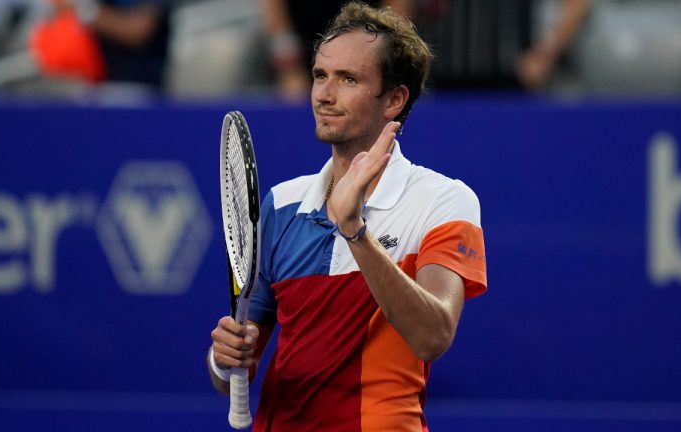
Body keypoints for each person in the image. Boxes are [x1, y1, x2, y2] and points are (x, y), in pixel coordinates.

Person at [209, 2, 487, 430]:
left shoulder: (444, 202)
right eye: (320, 75)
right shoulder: (282, 204)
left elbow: (433, 336)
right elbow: (234, 374)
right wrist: (223, 358)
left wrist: (354, 229)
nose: (323, 93)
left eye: (348, 79)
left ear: (394, 99)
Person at [413, 0, 589, 91]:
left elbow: (577, 5)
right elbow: (399, 7)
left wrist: (543, 57)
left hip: (511, 84)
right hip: (439, 83)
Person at [259, 0, 411, 98]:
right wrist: (289, 67)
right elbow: (275, 9)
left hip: (369, 45)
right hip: (304, 45)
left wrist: (384, 56)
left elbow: (397, 11)